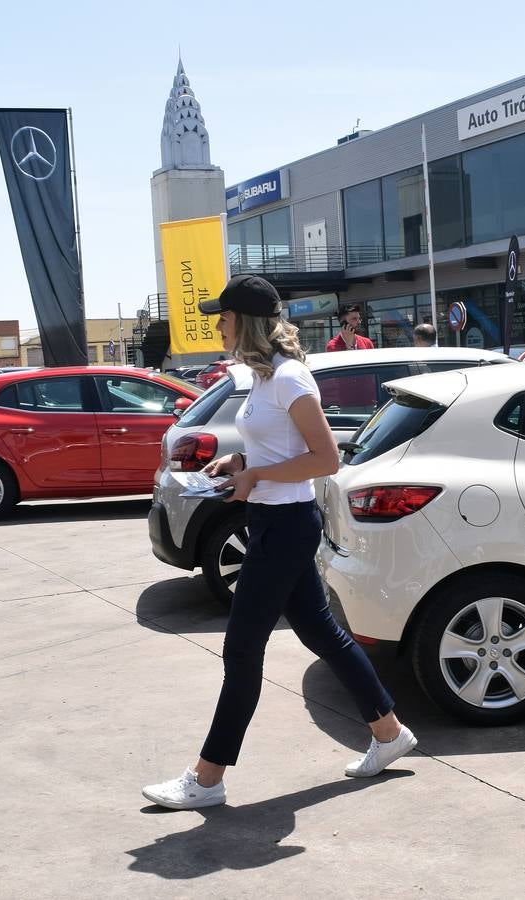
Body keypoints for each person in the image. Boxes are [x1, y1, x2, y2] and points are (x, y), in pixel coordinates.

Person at [143, 275, 415, 811]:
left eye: (221, 317)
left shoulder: (291, 379)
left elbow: (326, 460)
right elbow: (281, 451)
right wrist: (241, 463)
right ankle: (389, 732)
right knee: (324, 634)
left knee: (241, 650)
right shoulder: (262, 378)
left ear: (243, 321)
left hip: (286, 526)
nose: (216, 324)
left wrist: (256, 477)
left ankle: (207, 777)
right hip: (271, 521)